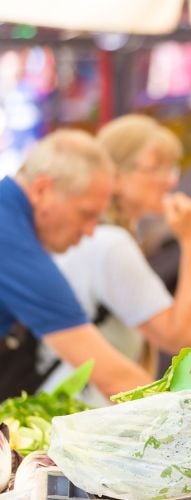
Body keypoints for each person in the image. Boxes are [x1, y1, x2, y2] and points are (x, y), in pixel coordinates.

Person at [43, 115, 191, 402]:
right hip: (80, 418)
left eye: (172, 167)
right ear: (114, 177)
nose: (170, 180)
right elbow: (182, 336)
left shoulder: (98, 238)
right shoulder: (110, 244)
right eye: (156, 167)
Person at [0, 129, 152, 399]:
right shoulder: (13, 243)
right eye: (86, 213)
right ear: (42, 189)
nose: (91, 230)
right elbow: (113, 377)